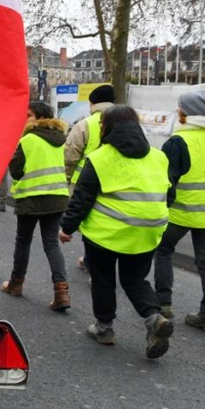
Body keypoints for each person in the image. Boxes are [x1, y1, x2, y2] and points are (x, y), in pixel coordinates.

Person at [59, 105, 173, 359]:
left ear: (106, 128)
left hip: (106, 233)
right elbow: (170, 193)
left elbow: (82, 198)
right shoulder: (158, 156)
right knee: (135, 280)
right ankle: (154, 319)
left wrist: (67, 227)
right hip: (149, 230)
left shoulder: (100, 158)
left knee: (103, 279)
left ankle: (104, 328)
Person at [152, 89, 205, 334]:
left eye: (179, 108)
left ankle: (163, 305)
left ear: (185, 113)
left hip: (180, 211)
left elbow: (164, 180)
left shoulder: (178, 142)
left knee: (164, 251)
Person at [1, 101, 70, 311]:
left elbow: (16, 171)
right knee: (51, 243)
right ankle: (62, 292)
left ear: (39, 117)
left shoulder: (27, 139)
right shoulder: (61, 139)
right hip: (57, 196)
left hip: (31, 196)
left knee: (23, 240)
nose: (25, 119)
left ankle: (16, 283)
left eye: (28, 115)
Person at [65, 84, 115, 271]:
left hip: (85, 183)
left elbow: (70, 155)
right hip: (118, 181)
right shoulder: (127, 121)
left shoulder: (85, 123)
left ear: (92, 102)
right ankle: (94, 259)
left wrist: (67, 178)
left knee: (90, 222)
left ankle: (92, 260)